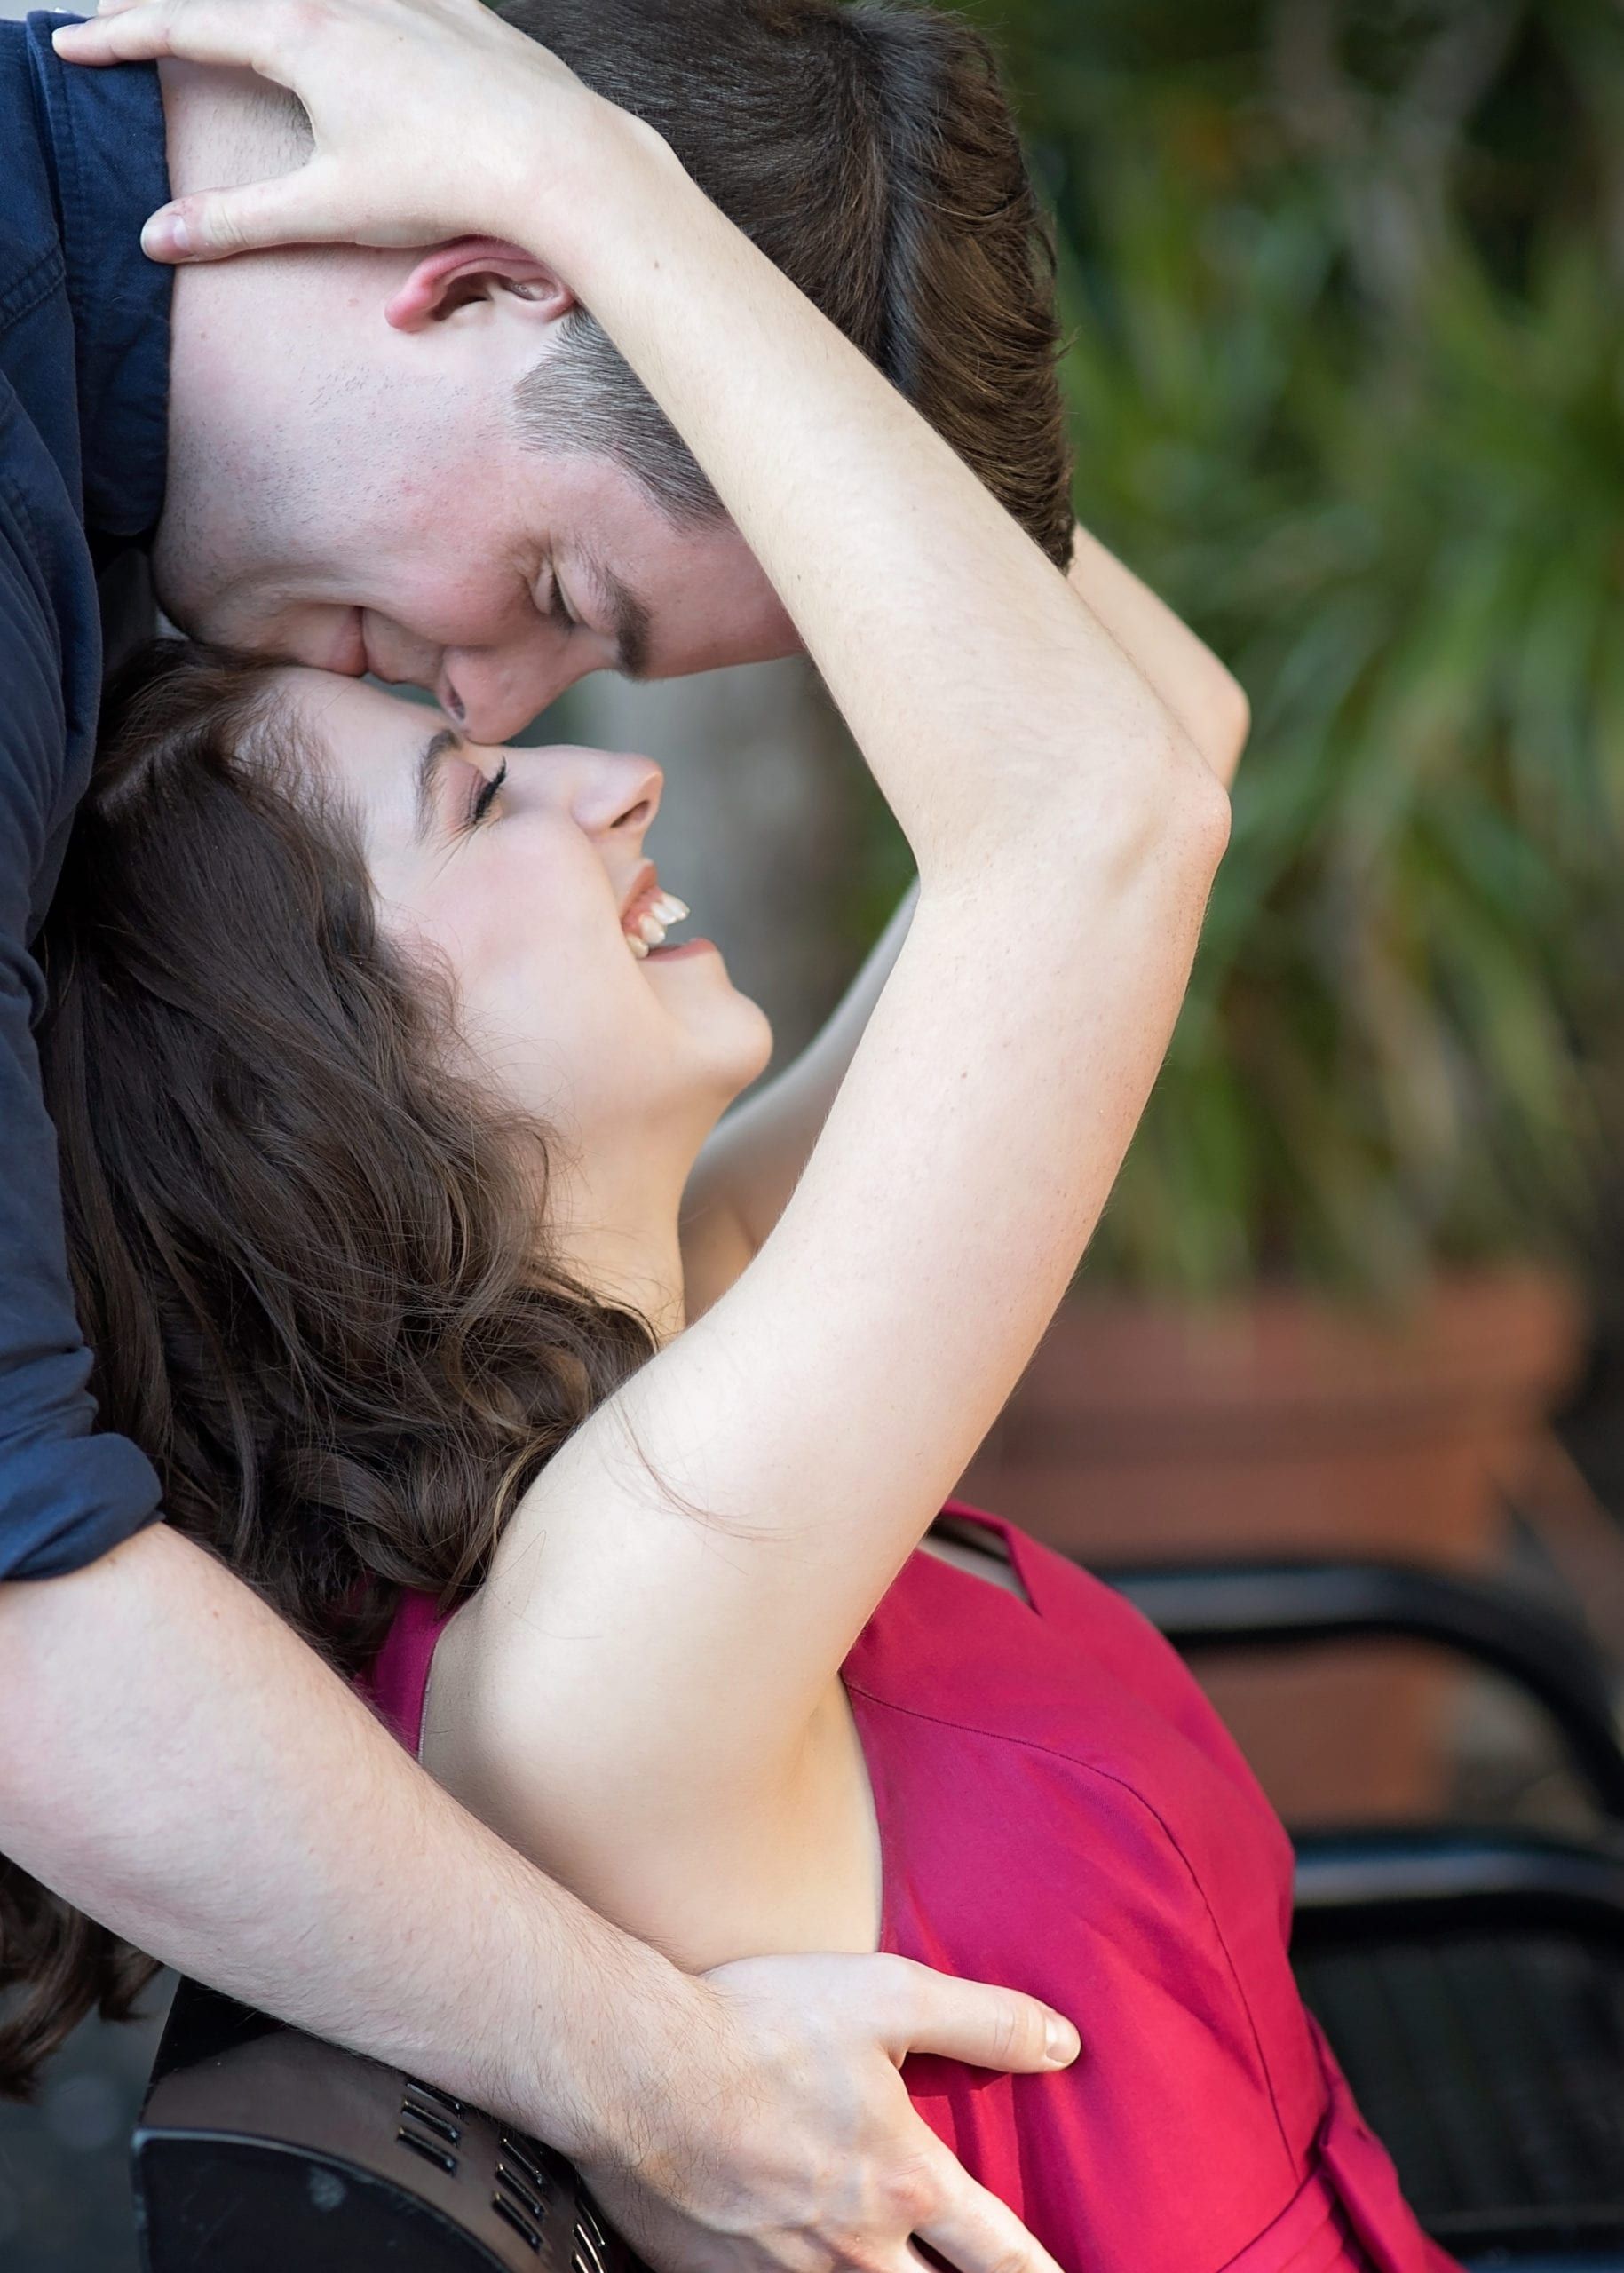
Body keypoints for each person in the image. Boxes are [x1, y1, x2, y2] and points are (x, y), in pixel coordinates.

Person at [39, 9, 1457, 2269]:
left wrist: (714, 276)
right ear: (318, 1062)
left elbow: (1160, 719)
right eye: (474, 777)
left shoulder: (661, 1338)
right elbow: (1103, 817)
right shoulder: (618, 1625)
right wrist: (590, 195)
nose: (601, 759)